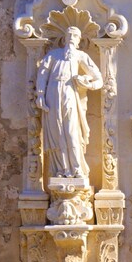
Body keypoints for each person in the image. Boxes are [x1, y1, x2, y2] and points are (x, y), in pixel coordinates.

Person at [35, 26, 103, 179]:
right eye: (69, 34)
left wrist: (87, 82)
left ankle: (77, 168)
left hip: (70, 92)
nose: (72, 36)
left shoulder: (80, 56)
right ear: (64, 38)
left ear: (79, 41)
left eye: (76, 35)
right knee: (56, 131)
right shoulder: (53, 55)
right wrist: (40, 95)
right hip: (52, 92)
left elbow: (98, 78)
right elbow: (42, 74)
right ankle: (60, 169)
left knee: (72, 131)